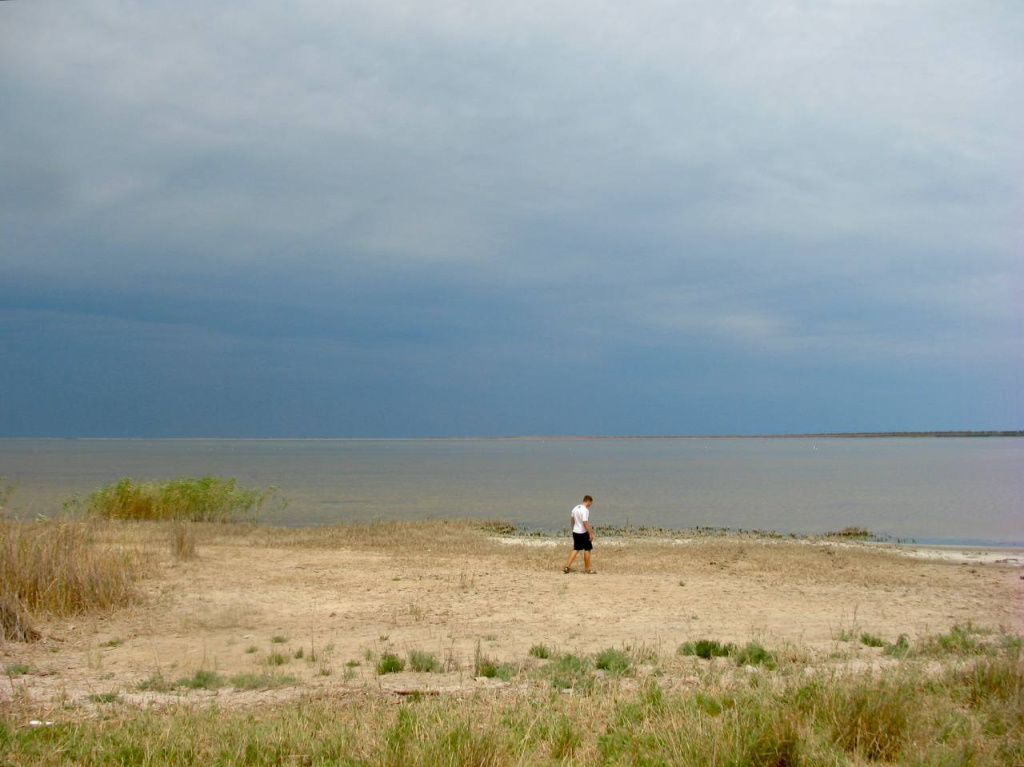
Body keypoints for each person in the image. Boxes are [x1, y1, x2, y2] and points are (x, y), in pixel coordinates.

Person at [563, 495, 596, 574]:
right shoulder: (585, 510)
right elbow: (585, 522)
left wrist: (573, 528)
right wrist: (590, 533)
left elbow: (572, 519)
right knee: (587, 549)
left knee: (576, 549)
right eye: (590, 503)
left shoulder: (575, 508)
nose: (590, 505)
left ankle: (567, 566)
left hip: (575, 531)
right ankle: (587, 569)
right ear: (588, 501)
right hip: (583, 532)